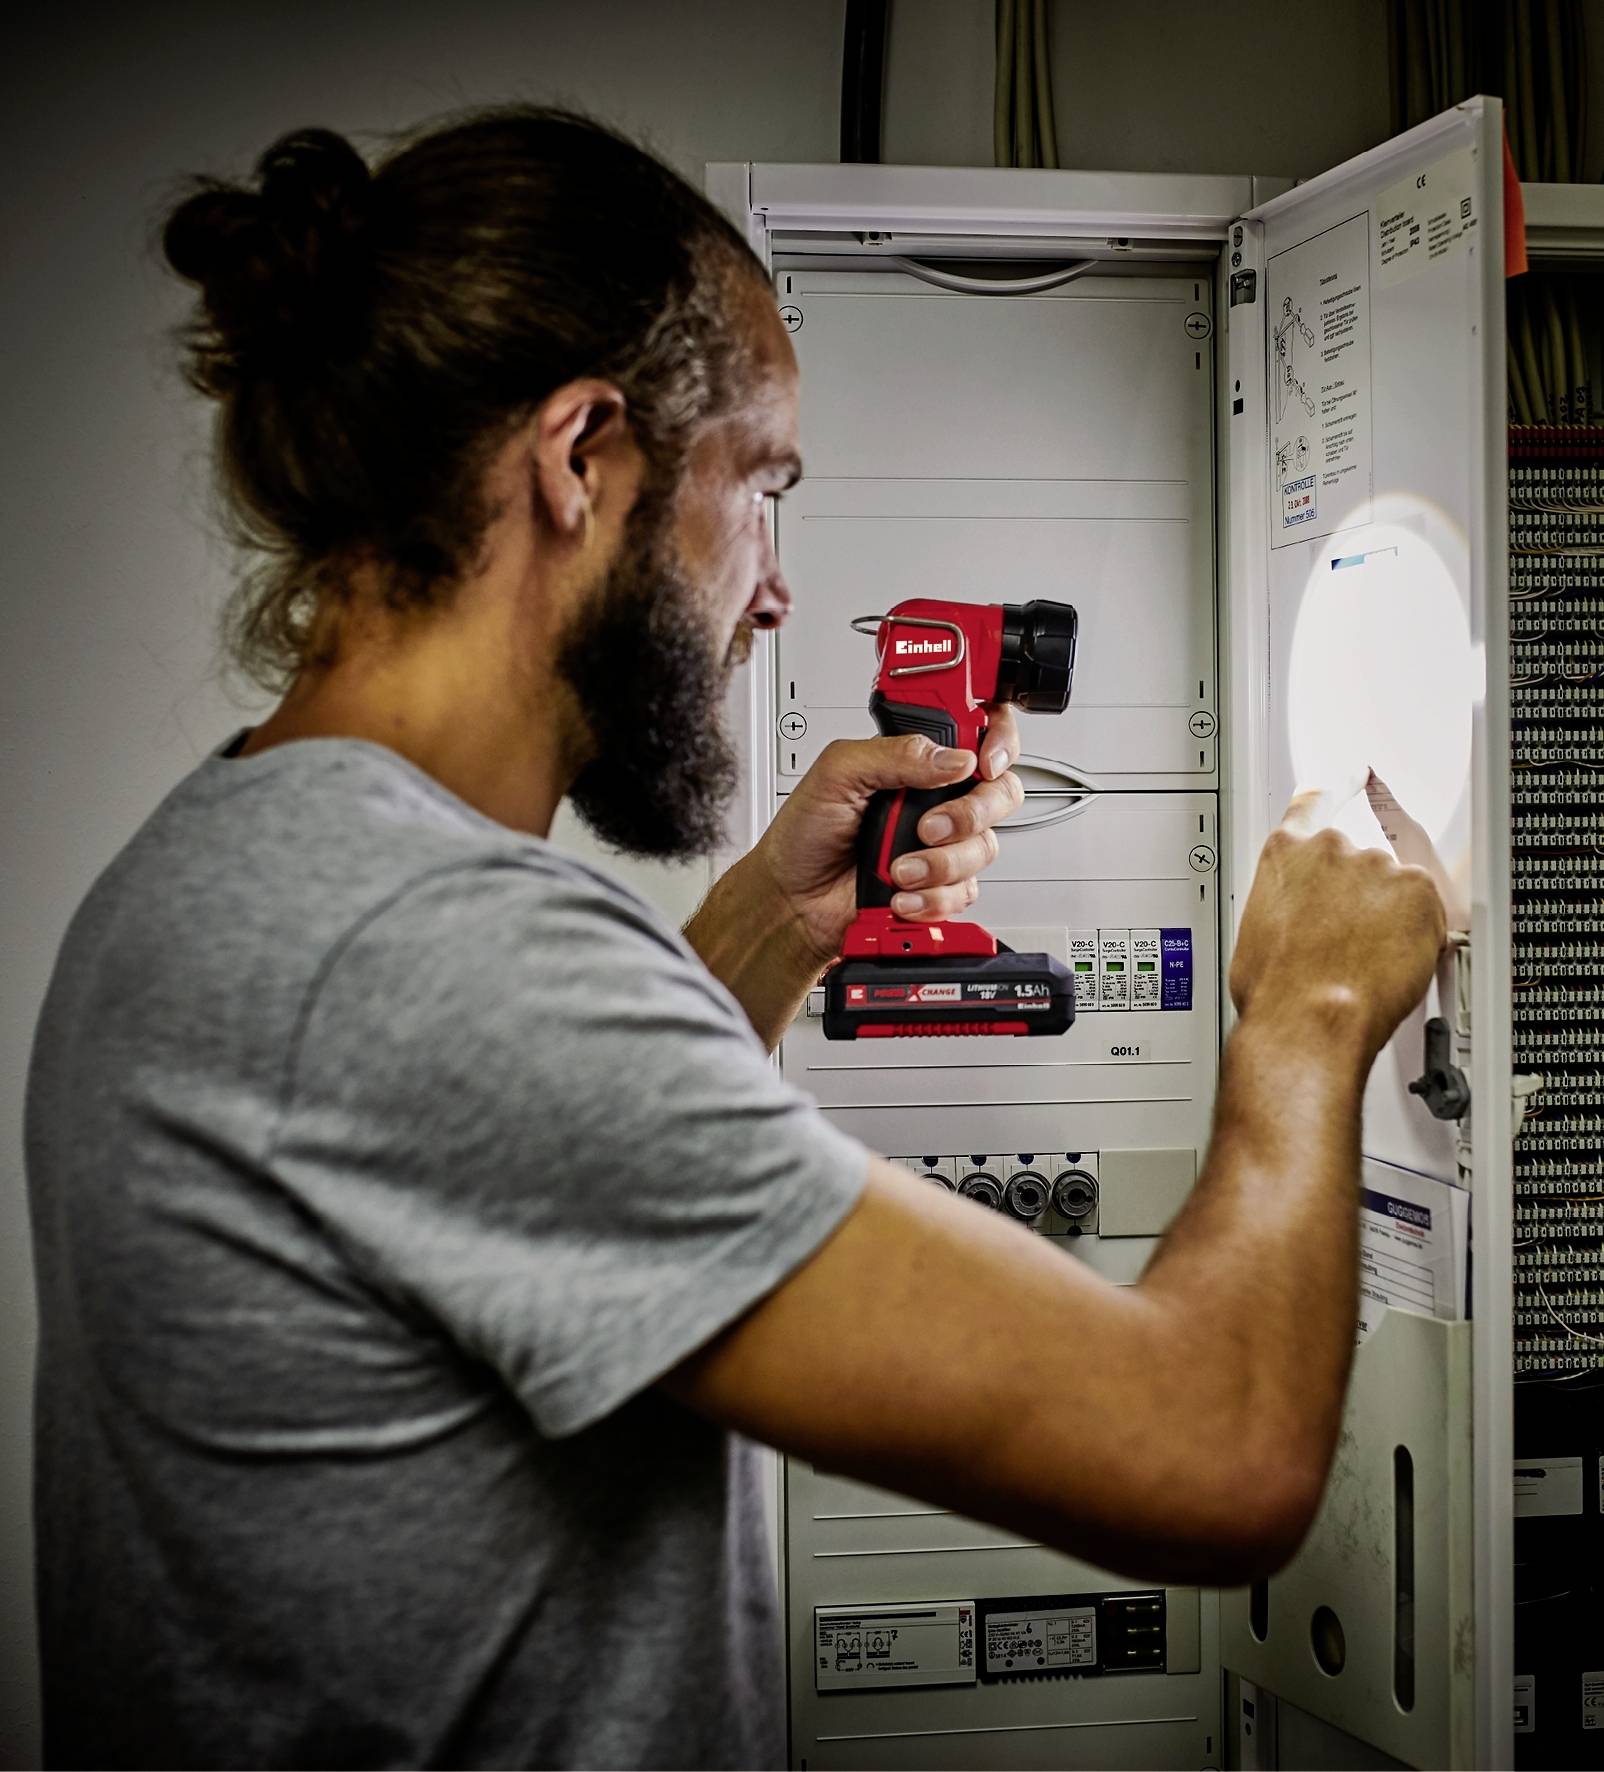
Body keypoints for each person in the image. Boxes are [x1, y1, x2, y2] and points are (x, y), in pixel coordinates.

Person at [25, 107, 1445, 1770]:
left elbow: (519, 1177)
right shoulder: (430, 956)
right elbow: (1216, 1453)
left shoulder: (234, 868)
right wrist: (1310, 1005)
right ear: (581, 460)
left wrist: (774, 923)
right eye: (759, 484)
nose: (774, 592)